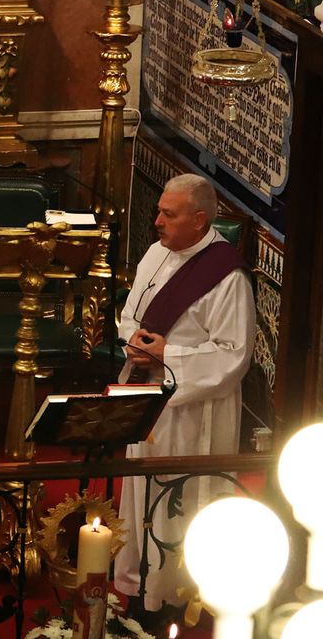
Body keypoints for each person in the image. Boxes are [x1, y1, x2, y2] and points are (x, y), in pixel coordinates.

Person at [114, 174, 254, 612]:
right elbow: (130, 315)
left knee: (177, 498)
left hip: (191, 409)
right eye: (158, 211)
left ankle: (173, 592)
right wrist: (135, 342)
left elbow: (234, 354)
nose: (157, 221)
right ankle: (137, 580)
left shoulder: (227, 276)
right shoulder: (156, 254)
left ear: (198, 220)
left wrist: (167, 354)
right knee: (140, 491)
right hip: (146, 393)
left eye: (167, 215)